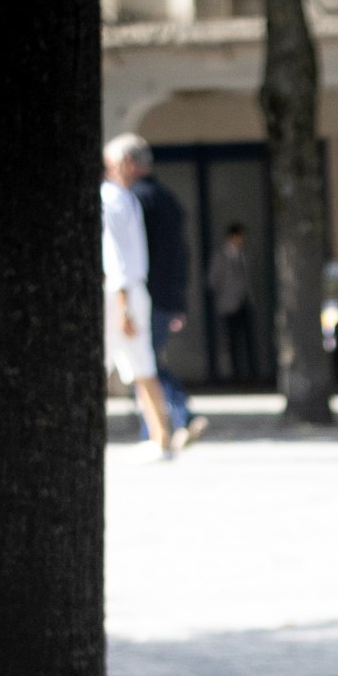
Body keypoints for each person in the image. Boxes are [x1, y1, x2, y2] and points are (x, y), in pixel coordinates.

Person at [128, 140, 207, 452]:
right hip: (164, 297)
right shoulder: (168, 201)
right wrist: (179, 302)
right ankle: (159, 428)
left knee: (142, 364)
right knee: (143, 363)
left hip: (143, 296)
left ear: (128, 164)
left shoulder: (134, 201)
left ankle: (176, 419)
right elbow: (181, 256)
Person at [101, 133, 174, 460]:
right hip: (132, 291)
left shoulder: (112, 199)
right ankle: (162, 436)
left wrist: (122, 306)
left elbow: (115, 257)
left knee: (123, 365)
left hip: (121, 292)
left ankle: (161, 437)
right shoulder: (126, 198)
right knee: (143, 367)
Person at [208, 224, 257, 382]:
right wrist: (223, 295)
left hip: (245, 302)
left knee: (248, 338)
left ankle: (250, 372)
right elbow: (212, 280)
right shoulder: (221, 256)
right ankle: (236, 374)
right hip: (229, 305)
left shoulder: (245, 255)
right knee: (232, 340)